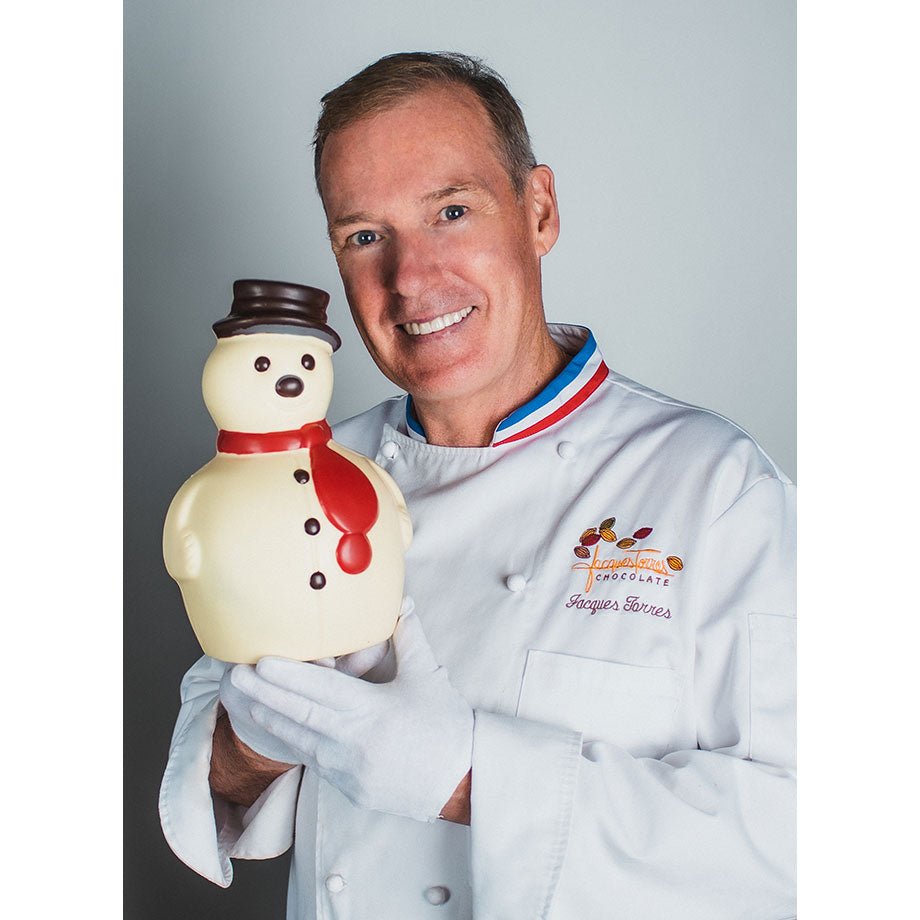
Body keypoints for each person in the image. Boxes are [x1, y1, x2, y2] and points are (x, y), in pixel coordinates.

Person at [160, 52, 795, 919]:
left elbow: (805, 837)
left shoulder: (713, 486)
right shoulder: (307, 478)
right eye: (364, 235)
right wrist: (254, 740)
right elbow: (217, 770)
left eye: (451, 212)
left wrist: (470, 777)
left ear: (539, 211)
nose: (411, 278)